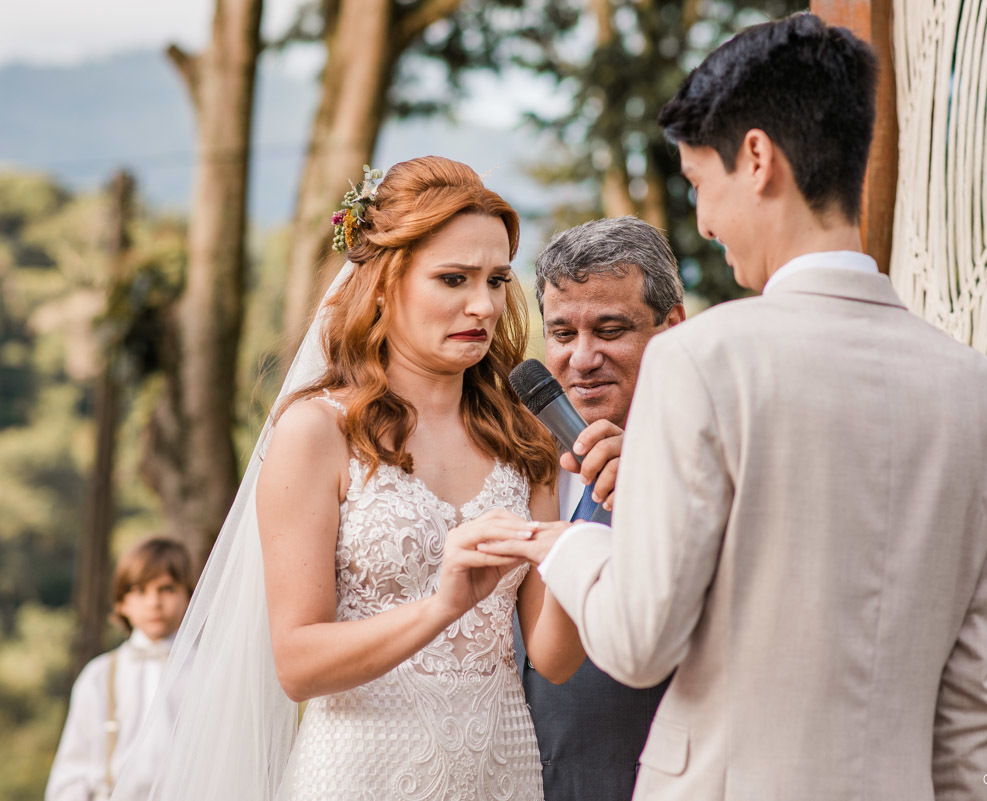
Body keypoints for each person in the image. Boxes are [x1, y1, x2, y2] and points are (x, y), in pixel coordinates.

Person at [482, 13, 987, 801]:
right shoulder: (984, 391)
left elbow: (637, 642)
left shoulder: (700, 360)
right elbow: (978, 705)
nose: (703, 221)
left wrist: (563, 546)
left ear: (758, 159)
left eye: (701, 183)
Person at [113, 157, 584, 801]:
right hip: (363, 774)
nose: (485, 305)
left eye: (498, 279)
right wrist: (441, 608)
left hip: (502, 773)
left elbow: (554, 658)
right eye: (454, 279)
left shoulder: (523, 436)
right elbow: (298, 664)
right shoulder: (317, 433)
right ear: (385, 284)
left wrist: (590, 532)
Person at [515, 216, 684, 801]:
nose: (582, 359)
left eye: (610, 329)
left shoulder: (708, 469)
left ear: (671, 328)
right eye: (562, 334)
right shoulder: (512, 458)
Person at [46, 537, 193, 801]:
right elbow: (72, 767)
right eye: (140, 591)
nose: (153, 603)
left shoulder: (204, 669)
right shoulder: (99, 675)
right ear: (121, 602)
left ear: (190, 595)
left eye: (167, 589)